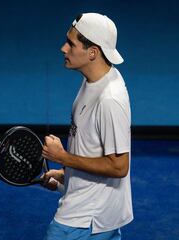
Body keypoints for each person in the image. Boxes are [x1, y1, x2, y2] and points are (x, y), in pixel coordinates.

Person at [41, 12, 133, 240]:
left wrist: (62, 157)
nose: (64, 48)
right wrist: (66, 176)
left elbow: (119, 166)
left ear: (93, 52)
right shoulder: (96, 80)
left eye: (71, 44)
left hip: (83, 220)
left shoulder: (109, 99)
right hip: (99, 215)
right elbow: (91, 148)